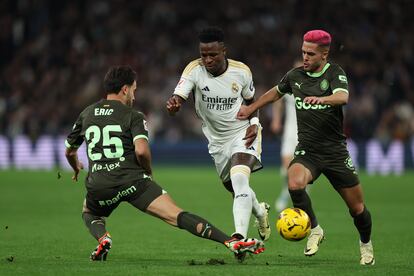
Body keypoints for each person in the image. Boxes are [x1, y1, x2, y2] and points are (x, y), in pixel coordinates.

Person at [64, 65, 264, 261]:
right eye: (133, 90)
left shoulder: (87, 113)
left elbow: (70, 151)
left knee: (89, 212)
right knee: (177, 216)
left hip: (99, 184)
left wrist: (76, 168)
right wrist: (148, 173)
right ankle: (231, 242)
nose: (134, 96)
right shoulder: (133, 116)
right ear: (125, 89)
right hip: (133, 182)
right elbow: (141, 151)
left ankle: (103, 237)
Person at [237, 30, 375, 265]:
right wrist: (251, 108)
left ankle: (365, 244)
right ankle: (315, 229)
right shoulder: (295, 75)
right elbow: (274, 93)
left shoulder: (334, 73)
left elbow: (343, 97)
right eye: (303, 52)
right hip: (308, 150)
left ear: (324, 54)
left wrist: (322, 99)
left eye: (310, 53)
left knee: (357, 209)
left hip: (335, 153)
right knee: (294, 183)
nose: (305, 57)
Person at [166, 27, 271, 257]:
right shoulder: (194, 70)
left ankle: (240, 239)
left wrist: (254, 122)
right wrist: (173, 105)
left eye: (213, 54)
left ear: (224, 51)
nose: (207, 59)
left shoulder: (241, 72)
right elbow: (179, 96)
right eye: (203, 54)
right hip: (216, 141)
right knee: (235, 189)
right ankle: (260, 211)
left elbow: (251, 101)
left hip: (243, 133)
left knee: (239, 177)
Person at [271, 60, 301, 213]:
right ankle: (285, 192)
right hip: (290, 131)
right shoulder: (289, 84)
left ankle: (302, 195)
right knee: (285, 166)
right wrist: (276, 119)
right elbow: (277, 101)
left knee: (303, 166)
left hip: (306, 132)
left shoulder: (313, 86)